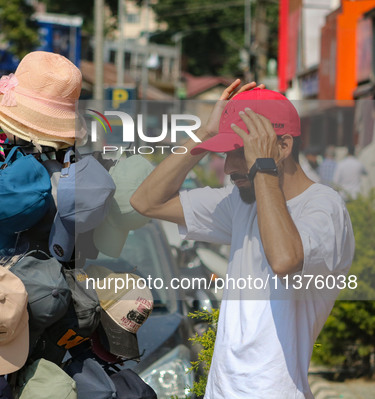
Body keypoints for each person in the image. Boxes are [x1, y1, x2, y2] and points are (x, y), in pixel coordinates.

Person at [131, 81, 355, 398]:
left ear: (284, 146)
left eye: (241, 152)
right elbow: (146, 202)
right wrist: (205, 134)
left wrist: (262, 165)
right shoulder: (242, 202)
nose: (230, 166)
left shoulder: (324, 207)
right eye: (226, 152)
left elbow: (284, 259)